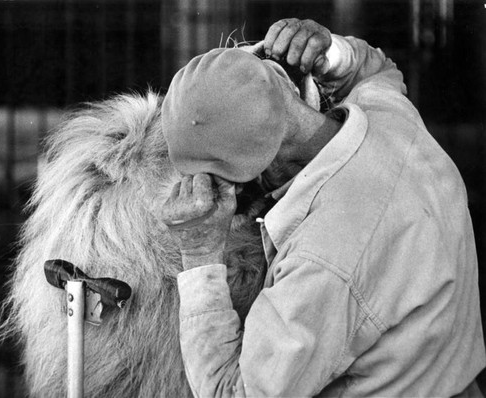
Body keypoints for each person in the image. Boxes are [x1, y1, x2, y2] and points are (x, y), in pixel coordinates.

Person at [159, 18, 486, 397]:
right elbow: (377, 66)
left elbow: (233, 392)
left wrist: (199, 254)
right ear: (286, 84)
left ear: (249, 178)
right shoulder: (390, 116)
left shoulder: (323, 259)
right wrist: (329, 51)